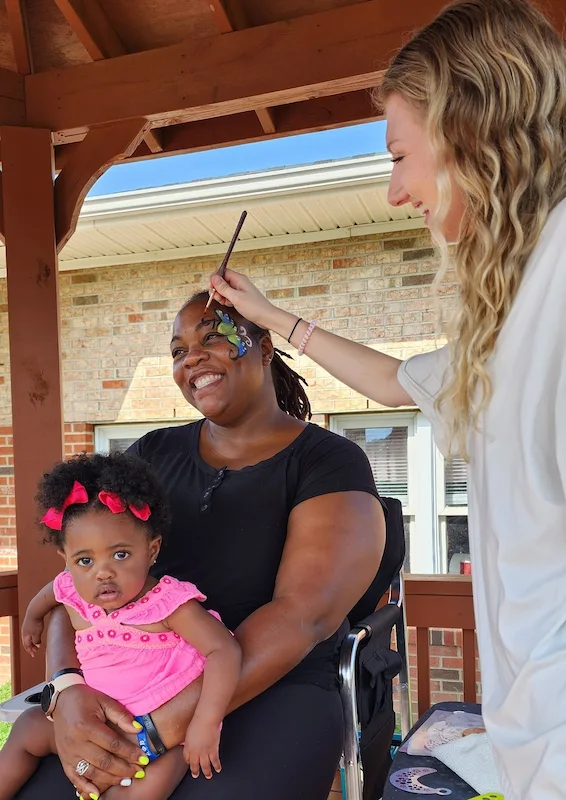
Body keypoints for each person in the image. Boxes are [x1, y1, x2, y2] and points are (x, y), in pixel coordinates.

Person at [207, 1, 566, 797]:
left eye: (401, 154)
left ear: (472, 129)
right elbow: (399, 382)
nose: (396, 190)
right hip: (531, 737)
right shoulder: (516, 309)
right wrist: (271, 315)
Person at [15, 291, 386, 799]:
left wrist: (162, 726)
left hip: (273, 688)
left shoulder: (327, 462)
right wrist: (65, 688)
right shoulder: (149, 456)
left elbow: (304, 615)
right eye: (177, 350)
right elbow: (73, 588)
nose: (191, 357)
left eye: (212, 336)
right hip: (129, 684)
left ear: (263, 347)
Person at [3, 452, 241, 800]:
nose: (102, 572)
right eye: (85, 560)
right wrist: (32, 618)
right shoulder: (73, 587)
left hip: (155, 725)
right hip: (94, 716)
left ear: (151, 549)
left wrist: (205, 722)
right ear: (67, 561)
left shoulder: (167, 604)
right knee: (25, 730)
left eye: (120, 554)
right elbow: (50, 593)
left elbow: (224, 650)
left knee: (142, 789)